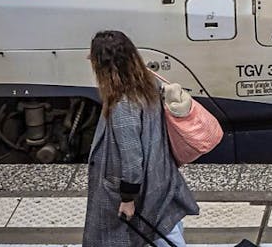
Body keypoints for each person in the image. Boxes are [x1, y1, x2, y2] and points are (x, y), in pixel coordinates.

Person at [83, 30, 199, 247]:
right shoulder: (149, 84)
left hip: (142, 190)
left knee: (158, 236)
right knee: (167, 229)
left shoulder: (122, 104)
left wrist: (127, 200)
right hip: (160, 178)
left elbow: (131, 157)